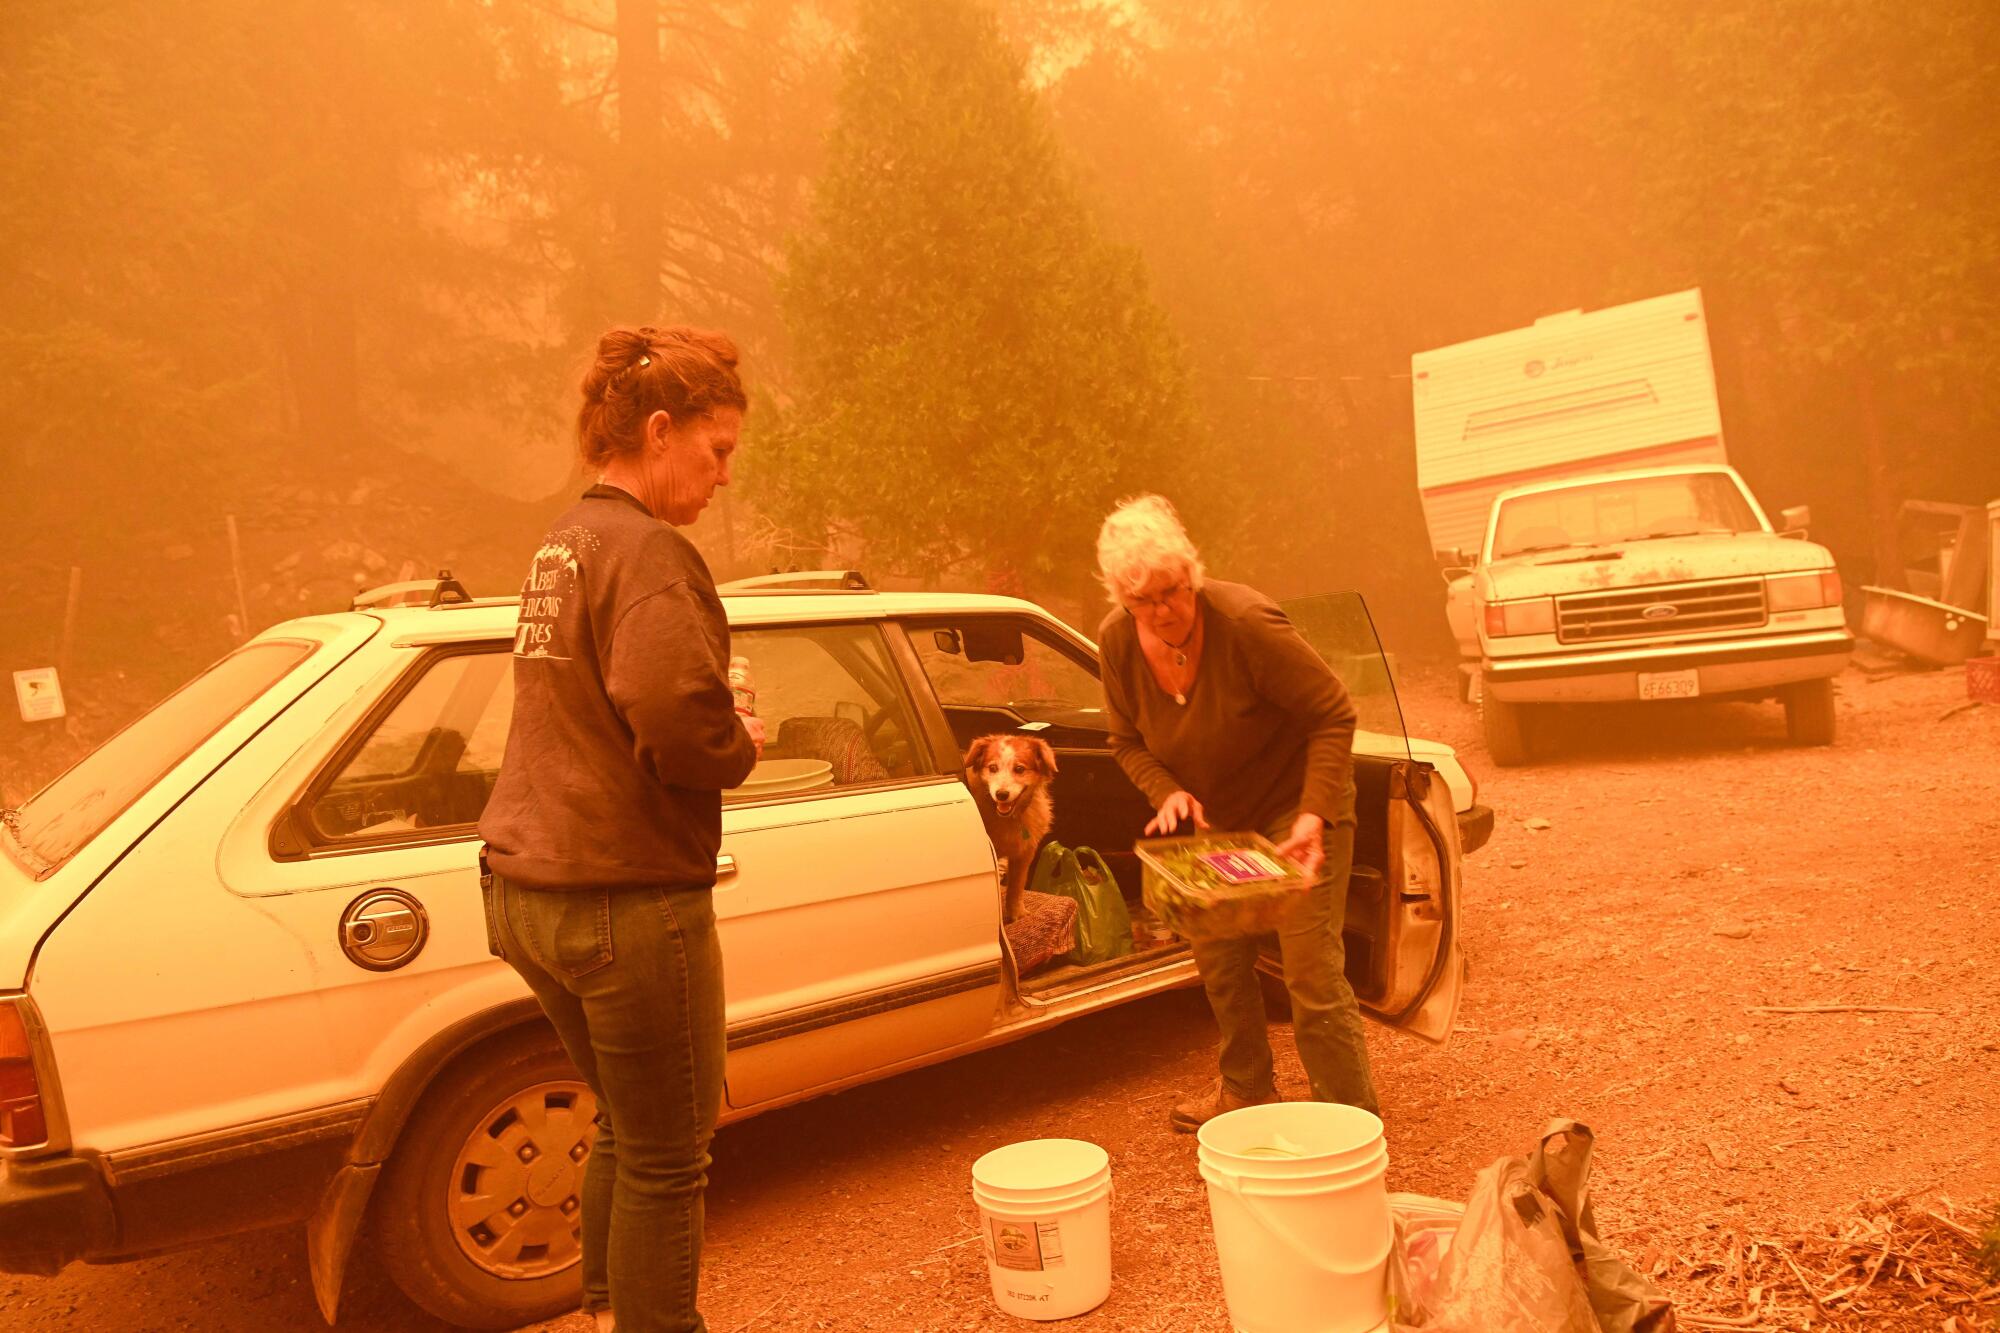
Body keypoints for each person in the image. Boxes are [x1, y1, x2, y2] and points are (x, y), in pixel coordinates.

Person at [479, 325, 763, 1333]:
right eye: (717, 449)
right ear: (657, 429)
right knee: (665, 1155)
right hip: (624, 900)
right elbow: (676, 723)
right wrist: (740, 741)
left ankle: (605, 1312)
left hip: (524, 889)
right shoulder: (650, 551)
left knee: (623, 1125)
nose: (724, 474)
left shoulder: (562, 542)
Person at [1093, 494, 1380, 1131]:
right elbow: (1125, 740)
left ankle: (1350, 1124)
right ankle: (1247, 1090)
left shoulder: (1246, 622)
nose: (1162, 610)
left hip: (1294, 809)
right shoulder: (1116, 641)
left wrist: (1314, 815)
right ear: (1122, 598)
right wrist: (1165, 790)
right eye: (1144, 601)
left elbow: (1333, 714)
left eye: (1171, 591)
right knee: (1222, 965)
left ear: (1190, 575)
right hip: (1215, 822)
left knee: (1310, 975)